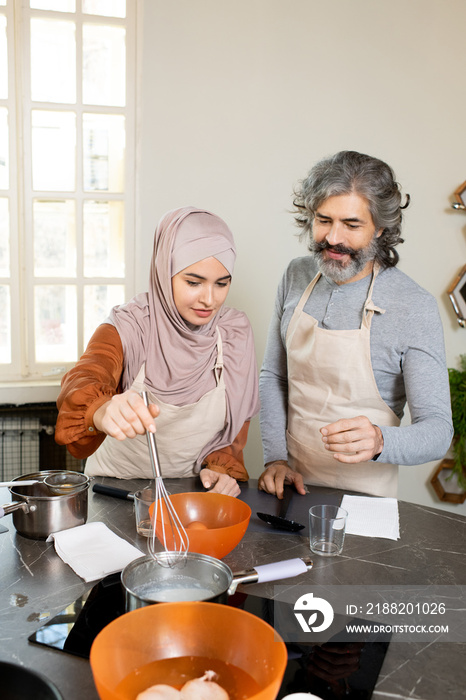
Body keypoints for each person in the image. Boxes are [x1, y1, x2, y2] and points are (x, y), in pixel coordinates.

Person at [258, 150, 453, 499]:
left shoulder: (413, 305)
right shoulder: (296, 275)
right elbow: (274, 376)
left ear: (380, 227)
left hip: (367, 498)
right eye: (323, 220)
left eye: (351, 225)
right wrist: (274, 459)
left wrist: (381, 440)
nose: (334, 239)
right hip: (292, 487)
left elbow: (438, 431)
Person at [56, 206, 259, 497]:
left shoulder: (233, 332)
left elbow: (234, 428)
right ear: (165, 272)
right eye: (193, 282)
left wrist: (220, 469)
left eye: (222, 283)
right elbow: (86, 376)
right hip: (113, 489)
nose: (209, 299)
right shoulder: (128, 325)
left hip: (190, 494)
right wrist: (101, 410)